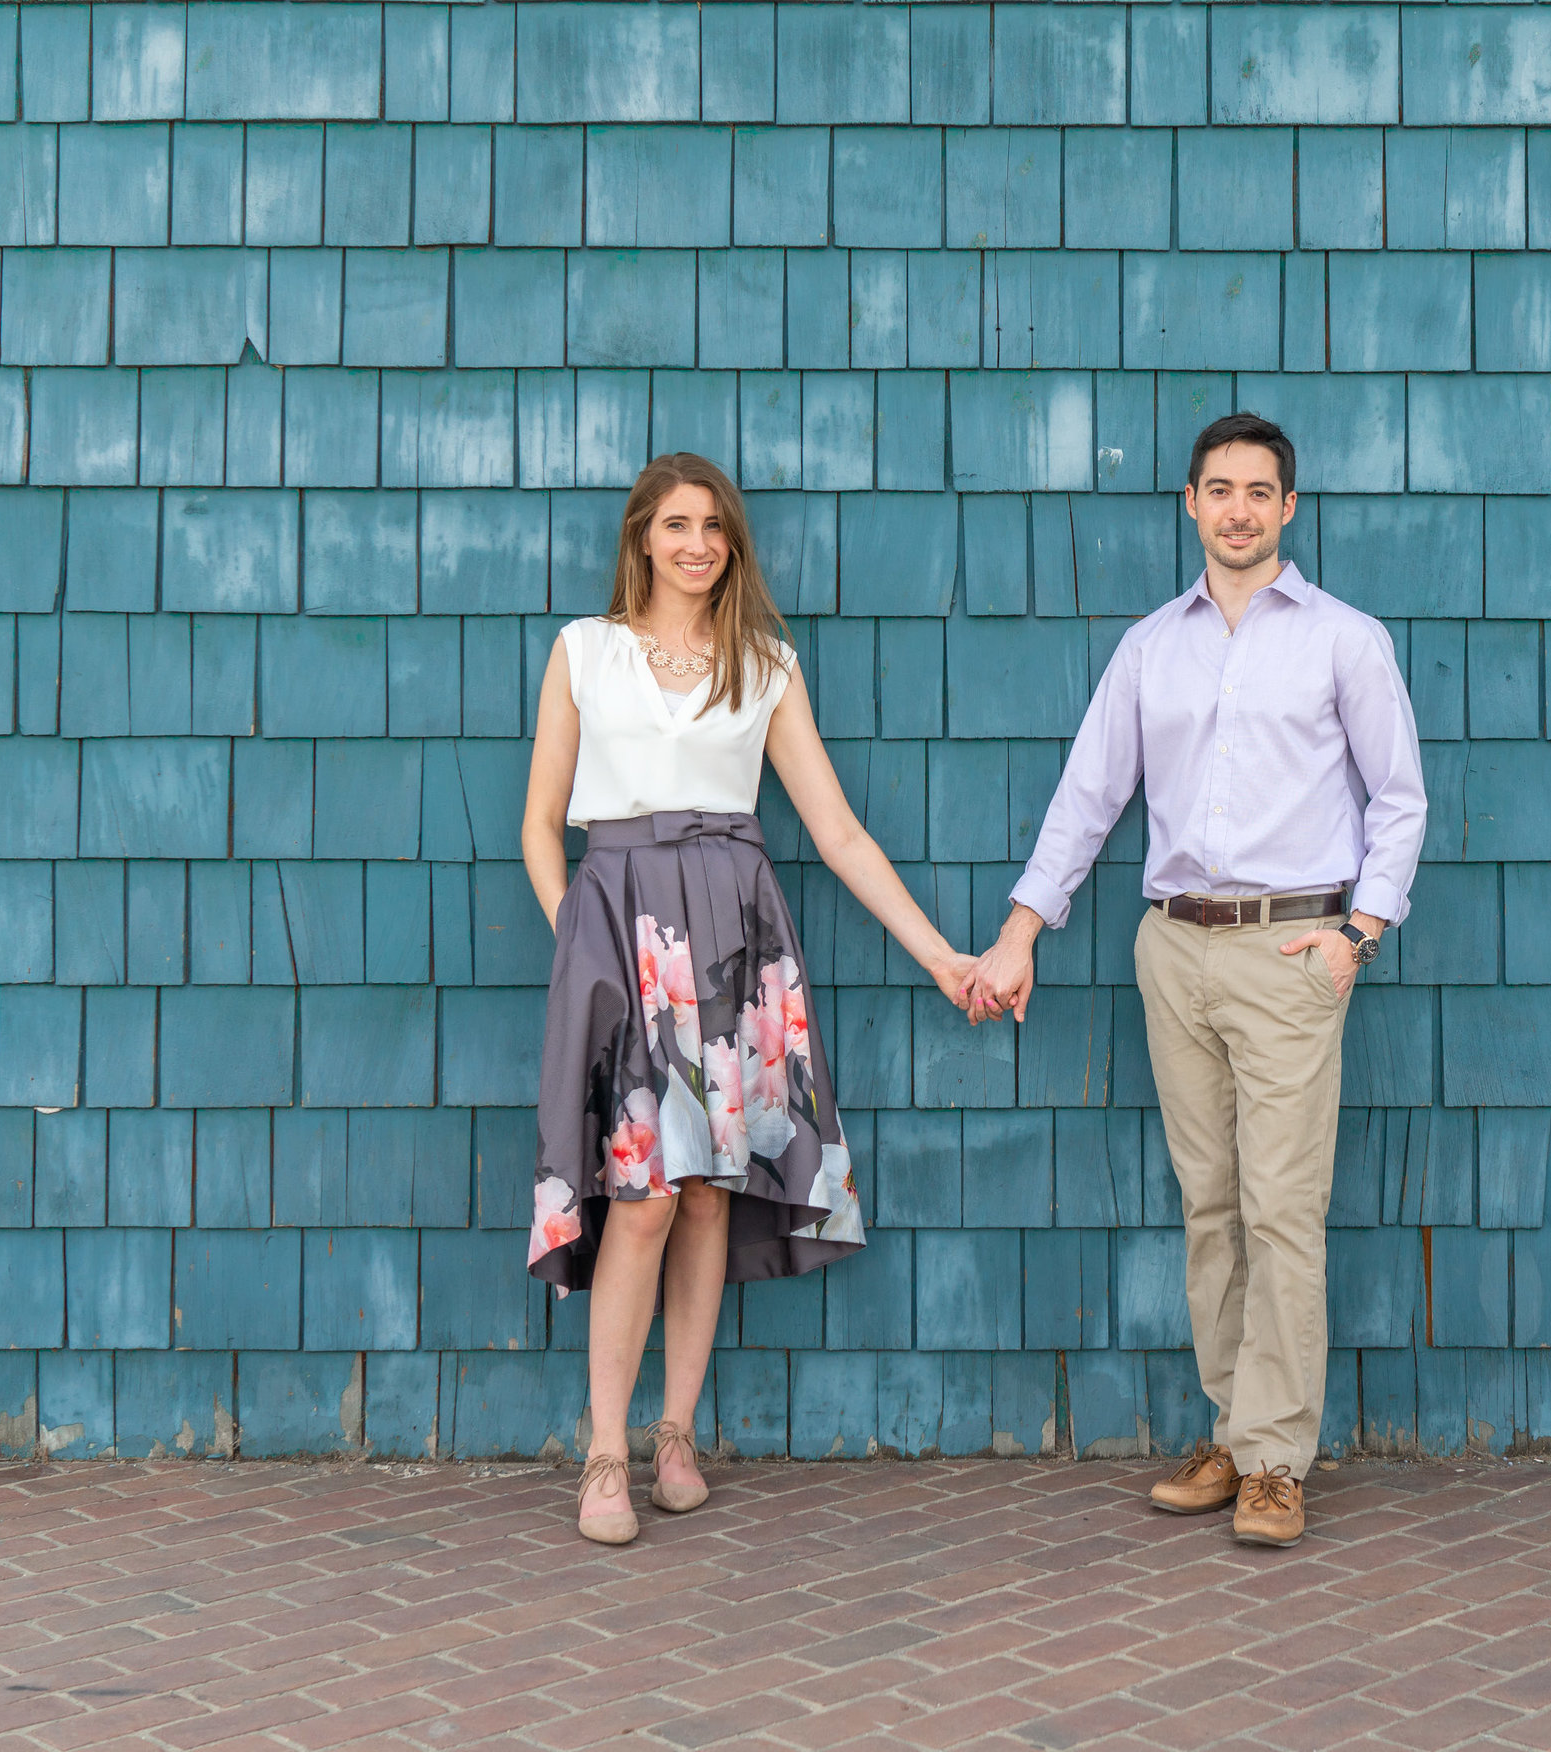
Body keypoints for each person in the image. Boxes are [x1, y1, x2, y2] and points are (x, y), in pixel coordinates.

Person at [964, 414, 1428, 1548]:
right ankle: (1233, 1429)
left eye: (1258, 491)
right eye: (1218, 488)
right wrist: (1023, 930)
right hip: (1172, 948)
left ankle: (1276, 1459)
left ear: (1288, 509)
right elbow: (1088, 800)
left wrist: (1354, 935)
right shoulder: (1149, 649)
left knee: (1281, 1207)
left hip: (1290, 950)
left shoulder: (1342, 641)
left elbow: (1399, 801)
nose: (1237, 508)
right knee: (1211, 1207)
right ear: (1188, 502)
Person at [522, 451, 981, 1545]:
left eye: (714, 527)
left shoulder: (763, 663)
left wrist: (939, 955)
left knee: (711, 1193)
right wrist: (581, 943)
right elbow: (543, 825)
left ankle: (676, 1432)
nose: (697, 543)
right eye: (677, 523)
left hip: (733, 948)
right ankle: (604, 1451)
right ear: (642, 536)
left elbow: (838, 833)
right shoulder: (584, 652)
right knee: (643, 1197)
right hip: (622, 944)